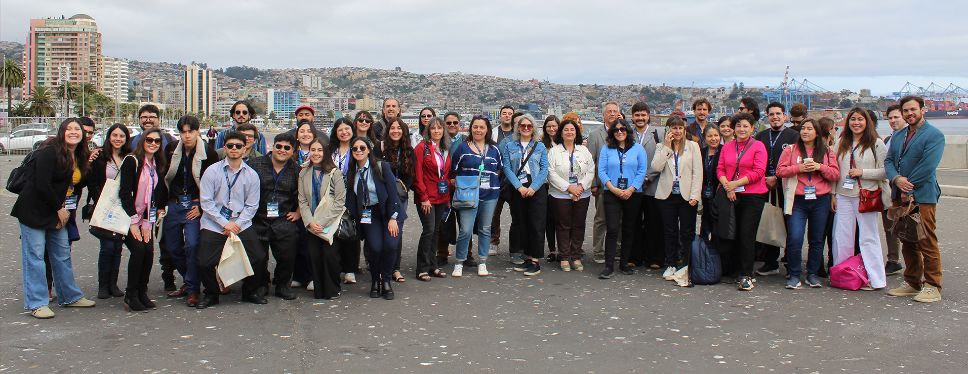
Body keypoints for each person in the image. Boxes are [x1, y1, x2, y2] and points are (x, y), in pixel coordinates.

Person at [12, 118, 96, 319]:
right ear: (61, 132)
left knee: (61, 253)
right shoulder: (50, 151)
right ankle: (37, 302)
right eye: (69, 129)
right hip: (34, 209)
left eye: (77, 129)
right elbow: (42, 183)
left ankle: (69, 296)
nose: (74, 132)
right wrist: (59, 209)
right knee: (36, 257)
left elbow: (75, 185)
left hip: (56, 209)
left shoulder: (77, 154)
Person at [196, 131, 268, 309]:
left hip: (240, 223)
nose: (234, 149)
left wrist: (236, 225)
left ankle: (250, 291)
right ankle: (211, 294)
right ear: (225, 148)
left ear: (245, 149)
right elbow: (206, 202)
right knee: (204, 261)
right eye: (230, 146)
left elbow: (252, 206)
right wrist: (224, 223)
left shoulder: (251, 175)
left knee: (258, 258)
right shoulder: (212, 171)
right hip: (214, 223)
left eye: (238, 146)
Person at [886, 96, 945, 303]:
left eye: (913, 109)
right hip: (899, 194)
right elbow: (889, 160)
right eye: (906, 110)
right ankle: (912, 282)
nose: (909, 113)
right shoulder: (899, 134)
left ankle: (933, 285)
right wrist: (896, 178)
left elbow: (928, 166)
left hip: (922, 196)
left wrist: (907, 186)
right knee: (907, 239)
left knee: (925, 239)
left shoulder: (934, 135)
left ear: (922, 109)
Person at [159, 116, 218, 307]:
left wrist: (201, 206)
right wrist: (161, 205)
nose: (187, 136)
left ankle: (192, 289)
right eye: (183, 132)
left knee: (192, 245)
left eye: (190, 131)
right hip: (174, 204)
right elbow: (163, 178)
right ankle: (190, 279)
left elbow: (213, 184)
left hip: (194, 205)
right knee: (172, 248)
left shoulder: (208, 152)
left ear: (198, 131)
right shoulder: (171, 150)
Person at [775, 119, 839, 289]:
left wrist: (820, 166)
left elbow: (835, 174)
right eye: (803, 128)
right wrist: (799, 168)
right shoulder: (791, 149)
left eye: (809, 129)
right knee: (795, 238)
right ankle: (794, 274)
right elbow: (780, 171)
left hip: (820, 200)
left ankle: (812, 274)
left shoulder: (826, 151)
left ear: (817, 132)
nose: (805, 132)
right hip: (797, 200)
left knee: (817, 240)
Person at [832, 108, 890, 290]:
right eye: (853, 119)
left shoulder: (877, 143)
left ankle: (876, 279)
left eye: (860, 119)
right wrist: (833, 194)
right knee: (842, 237)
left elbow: (885, 171)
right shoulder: (841, 141)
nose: (856, 123)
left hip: (866, 195)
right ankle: (842, 275)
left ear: (867, 122)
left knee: (868, 237)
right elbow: (835, 169)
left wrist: (862, 172)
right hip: (843, 195)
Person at [346, 137, 405, 300]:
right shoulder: (352, 171)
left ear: (369, 150)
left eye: (362, 148)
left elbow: (393, 192)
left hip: (388, 211)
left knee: (391, 245)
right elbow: (350, 196)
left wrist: (393, 217)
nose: (358, 151)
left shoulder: (381, 166)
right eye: (355, 148)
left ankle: (386, 281)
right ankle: (375, 281)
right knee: (375, 247)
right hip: (368, 214)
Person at [716, 112, 768, 291]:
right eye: (738, 126)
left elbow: (758, 171)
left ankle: (747, 274)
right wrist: (727, 186)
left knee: (747, 234)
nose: (741, 129)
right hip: (730, 193)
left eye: (746, 126)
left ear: (753, 128)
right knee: (732, 233)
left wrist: (735, 184)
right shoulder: (727, 147)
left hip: (752, 195)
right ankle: (733, 269)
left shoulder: (758, 146)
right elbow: (720, 168)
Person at [118, 128, 168, 312]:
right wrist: (133, 221)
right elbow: (124, 193)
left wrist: (147, 222)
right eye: (149, 140)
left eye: (157, 141)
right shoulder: (132, 161)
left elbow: (153, 196)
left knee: (148, 252)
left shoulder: (157, 164)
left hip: (146, 218)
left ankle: (141, 291)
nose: (153, 143)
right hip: (128, 216)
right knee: (138, 250)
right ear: (142, 141)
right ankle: (131, 294)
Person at [249, 133, 303, 301]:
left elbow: (303, 195)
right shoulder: (255, 165)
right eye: (278, 146)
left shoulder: (297, 170)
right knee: (257, 257)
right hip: (258, 217)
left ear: (293, 151)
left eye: (287, 148)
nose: (282, 150)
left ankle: (282, 285)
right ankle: (261, 285)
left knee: (287, 255)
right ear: (273, 147)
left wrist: (298, 212)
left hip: (283, 218)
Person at [130, 104, 178, 293]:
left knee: (165, 242)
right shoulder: (132, 142)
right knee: (140, 247)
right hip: (137, 204)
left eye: (152, 116)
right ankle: (135, 287)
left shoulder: (169, 140)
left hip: (162, 200)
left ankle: (168, 278)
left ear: (159, 119)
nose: (148, 120)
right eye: (144, 117)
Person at [651, 116, 703, 282]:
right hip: (667, 196)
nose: (677, 131)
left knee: (687, 232)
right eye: (674, 128)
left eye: (680, 128)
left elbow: (698, 172)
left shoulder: (693, 146)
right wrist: (666, 148)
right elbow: (656, 167)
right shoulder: (661, 147)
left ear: (685, 129)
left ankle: (686, 264)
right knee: (670, 231)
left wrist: (695, 195)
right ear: (668, 130)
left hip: (687, 195)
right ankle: (671, 262)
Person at [450, 115, 503, 277]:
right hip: (468, 195)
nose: (478, 130)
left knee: (485, 229)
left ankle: (482, 261)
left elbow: (499, 170)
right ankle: (459, 261)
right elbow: (453, 172)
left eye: (482, 127)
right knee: (465, 230)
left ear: (487, 130)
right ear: (471, 128)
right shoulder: (462, 148)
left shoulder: (495, 150)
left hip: (490, 195)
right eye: (475, 127)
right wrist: (463, 185)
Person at [597, 119, 648, 279]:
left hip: (633, 193)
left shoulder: (638, 149)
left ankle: (624, 263)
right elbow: (602, 171)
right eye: (616, 130)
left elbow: (642, 171)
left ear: (628, 131)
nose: (620, 132)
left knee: (628, 229)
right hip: (612, 192)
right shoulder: (606, 149)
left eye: (623, 129)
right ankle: (608, 265)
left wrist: (631, 189)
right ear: (612, 133)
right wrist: (613, 188)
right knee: (612, 229)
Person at [754, 102, 799, 277]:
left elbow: (797, 161)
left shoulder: (794, 136)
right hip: (764, 184)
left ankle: (789, 262)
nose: (775, 117)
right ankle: (770, 261)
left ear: (785, 116)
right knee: (769, 222)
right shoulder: (761, 136)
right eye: (771, 114)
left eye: (778, 114)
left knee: (789, 224)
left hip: (786, 185)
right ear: (767, 116)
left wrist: (777, 178)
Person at [296, 137, 345, 299]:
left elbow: (339, 202)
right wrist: (310, 222)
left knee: (330, 256)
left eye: (320, 150)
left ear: (325, 152)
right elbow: (302, 201)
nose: (316, 153)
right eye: (313, 150)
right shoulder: (303, 173)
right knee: (314, 256)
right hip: (312, 222)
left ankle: (332, 288)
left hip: (329, 222)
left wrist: (322, 223)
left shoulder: (335, 173)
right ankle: (320, 289)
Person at [501, 114, 549, 276]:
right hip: (518, 188)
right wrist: (519, 187)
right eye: (523, 126)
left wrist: (534, 187)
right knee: (522, 224)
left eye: (529, 126)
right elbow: (507, 168)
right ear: (518, 128)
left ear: (533, 128)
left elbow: (544, 169)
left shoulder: (540, 146)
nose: (526, 128)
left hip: (536, 187)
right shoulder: (510, 146)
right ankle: (527, 257)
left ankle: (535, 260)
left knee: (536, 224)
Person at [87, 124, 131, 299]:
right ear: (109, 136)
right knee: (107, 247)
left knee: (118, 246)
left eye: (121, 136)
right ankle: (103, 286)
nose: (118, 139)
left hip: (123, 206)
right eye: (114, 135)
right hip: (104, 205)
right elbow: (92, 181)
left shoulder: (129, 157)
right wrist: (101, 199)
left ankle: (113, 284)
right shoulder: (100, 156)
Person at [547, 119, 594, 272]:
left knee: (578, 225)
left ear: (576, 133)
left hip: (582, 193)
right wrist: (568, 188)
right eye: (566, 129)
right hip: (560, 195)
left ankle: (576, 256)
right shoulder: (554, 151)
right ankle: (564, 256)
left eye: (572, 130)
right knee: (563, 226)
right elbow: (551, 173)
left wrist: (580, 187)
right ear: (561, 132)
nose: (569, 132)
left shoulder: (583, 150)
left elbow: (591, 170)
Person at [436, 112, 479, 268]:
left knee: (465, 221)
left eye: (455, 122)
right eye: (448, 123)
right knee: (444, 221)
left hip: (462, 186)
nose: (452, 125)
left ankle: (467, 254)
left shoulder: (466, 142)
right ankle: (441, 252)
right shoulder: (438, 142)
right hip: (443, 187)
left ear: (459, 125)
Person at [413, 117, 452, 281]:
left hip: (441, 196)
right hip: (426, 197)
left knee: (436, 231)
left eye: (439, 128)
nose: (436, 131)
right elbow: (418, 174)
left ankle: (433, 265)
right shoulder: (422, 148)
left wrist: (447, 197)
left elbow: (446, 174)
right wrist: (423, 197)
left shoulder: (444, 149)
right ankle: (422, 267)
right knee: (428, 230)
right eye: (433, 128)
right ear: (428, 130)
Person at [325, 118, 361, 286]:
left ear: (352, 130)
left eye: (347, 129)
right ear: (335, 132)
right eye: (340, 129)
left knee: (350, 232)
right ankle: (335, 267)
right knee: (332, 231)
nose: (344, 132)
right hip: (331, 196)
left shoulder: (358, 148)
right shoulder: (330, 150)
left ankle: (350, 269)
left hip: (351, 195)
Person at [630, 101, 665, 269]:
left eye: (643, 115)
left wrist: (647, 177)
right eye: (637, 115)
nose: (640, 118)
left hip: (653, 184)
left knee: (654, 223)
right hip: (633, 187)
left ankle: (654, 258)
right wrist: (636, 180)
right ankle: (635, 256)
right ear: (632, 117)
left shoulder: (659, 133)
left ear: (648, 116)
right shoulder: (627, 133)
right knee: (634, 222)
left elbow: (663, 158)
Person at [380, 118, 416, 283]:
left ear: (404, 131)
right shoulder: (379, 148)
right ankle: (380, 267)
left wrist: (404, 187)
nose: (395, 131)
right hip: (381, 196)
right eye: (392, 128)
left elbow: (411, 175)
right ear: (387, 131)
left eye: (399, 128)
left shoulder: (408, 151)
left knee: (396, 233)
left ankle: (395, 268)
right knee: (381, 231)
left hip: (400, 197)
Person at [587, 102, 623, 264]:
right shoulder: (595, 135)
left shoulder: (623, 132)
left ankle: (616, 248)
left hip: (621, 185)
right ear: (603, 114)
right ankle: (598, 251)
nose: (612, 114)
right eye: (609, 111)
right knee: (601, 219)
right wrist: (593, 183)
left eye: (615, 111)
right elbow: (590, 161)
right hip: (602, 186)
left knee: (619, 219)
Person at [881, 104, 906, 276]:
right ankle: (893, 260)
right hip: (888, 187)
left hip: (903, 187)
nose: (893, 121)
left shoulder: (909, 137)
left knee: (907, 227)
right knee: (889, 225)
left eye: (896, 117)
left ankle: (911, 264)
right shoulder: (888, 140)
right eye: (890, 118)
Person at [490, 105, 516, 260]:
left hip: (513, 180)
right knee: (494, 213)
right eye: (504, 114)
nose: (507, 116)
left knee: (516, 213)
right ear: (499, 116)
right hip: (496, 179)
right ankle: (493, 241)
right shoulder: (493, 133)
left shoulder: (518, 132)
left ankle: (516, 244)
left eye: (510, 114)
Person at [541, 115, 560, 262]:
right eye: (549, 126)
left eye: (554, 126)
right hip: (546, 185)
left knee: (562, 219)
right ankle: (552, 249)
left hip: (562, 186)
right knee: (549, 219)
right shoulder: (541, 144)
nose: (552, 129)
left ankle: (563, 248)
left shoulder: (564, 143)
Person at [699, 126, 722, 241]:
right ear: (704, 138)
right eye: (710, 136)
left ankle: (716, 251)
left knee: (717, 222)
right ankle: (702, 251)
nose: (713, 138)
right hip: (704, 192)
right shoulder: (701, 152)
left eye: (716, 135)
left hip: (719, 192)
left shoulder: (724, 151)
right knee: (705, 219)